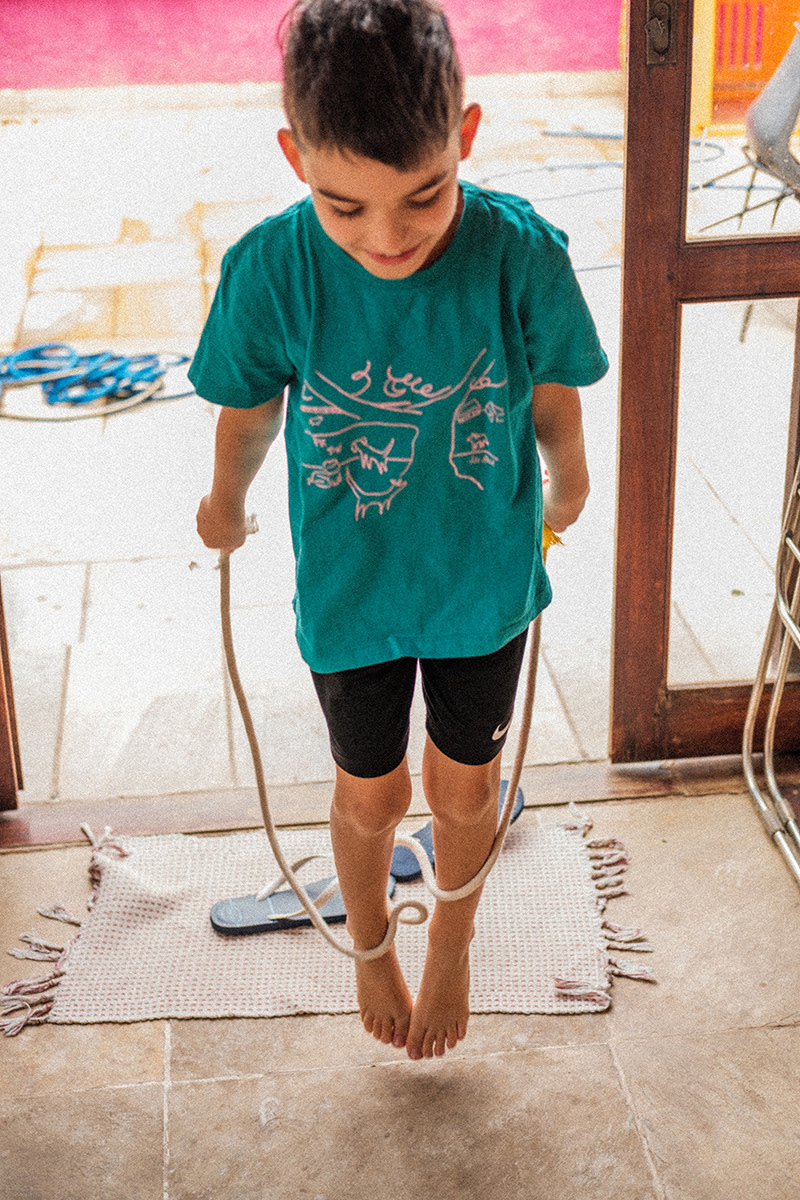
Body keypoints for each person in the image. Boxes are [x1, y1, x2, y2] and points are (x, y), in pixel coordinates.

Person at [191, 0, 608, 1062]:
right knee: (370, 792)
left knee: (463, 787)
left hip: (482, 577)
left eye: (424, 195)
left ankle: (452, 940)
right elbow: (250, 411)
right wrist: (224, 499)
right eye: (344, 207)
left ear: (464, 137)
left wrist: (568, 479)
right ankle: (370, 942)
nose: (387, 237)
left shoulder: (520, 253)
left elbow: (551, 389)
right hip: (354, 584)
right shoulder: (271, 270)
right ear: (295, 159)